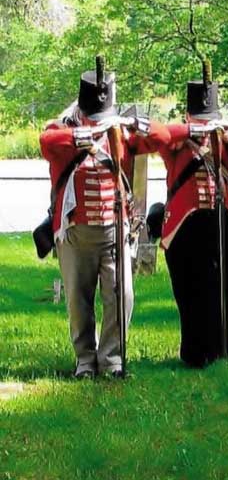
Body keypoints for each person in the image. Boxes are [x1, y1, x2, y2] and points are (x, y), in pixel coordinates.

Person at [40, 67, 169, 379]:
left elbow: (163, 137)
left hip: (114, 229)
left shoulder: (120, 131)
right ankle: (85, 360)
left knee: (121, 296)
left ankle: (111, 359)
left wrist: (130, 122)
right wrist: (87, 133)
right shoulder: (65, 129)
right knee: (78, 299)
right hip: (75, 232)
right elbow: (47, 141)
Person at [157, 73, 228, 367]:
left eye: (210, 118)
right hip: (186, 224)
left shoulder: (224, 140)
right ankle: (194, 354)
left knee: (226, 290)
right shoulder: (178, 143)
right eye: (202, 118)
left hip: (222, 221)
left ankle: (222, 352)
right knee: (191, 291)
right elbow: (158, 135)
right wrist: (191, 129)